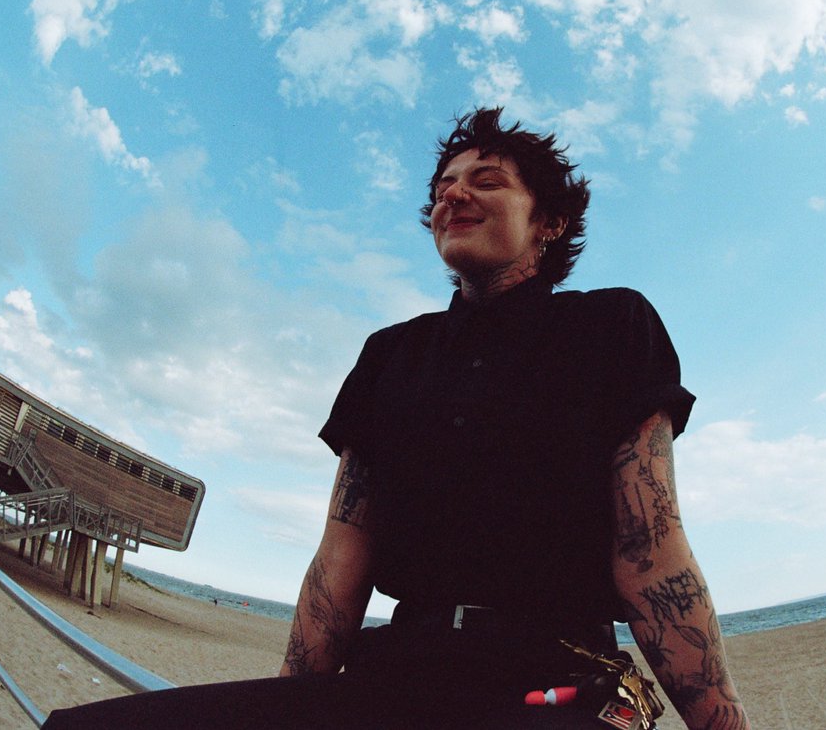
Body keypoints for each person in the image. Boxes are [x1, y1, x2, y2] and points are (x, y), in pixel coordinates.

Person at [43, 108, 747, 729]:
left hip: (558, 679)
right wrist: (287, 705)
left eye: (487, 181)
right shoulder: (390, 356)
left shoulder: (613, 326)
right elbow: (341, 558)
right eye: (443, 186)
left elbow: (650, 550)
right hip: (398, 673)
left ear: (550, 222)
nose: (453, 195)